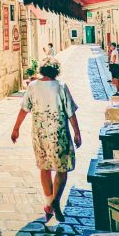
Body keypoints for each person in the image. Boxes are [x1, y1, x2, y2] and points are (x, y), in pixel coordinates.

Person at [11, 60, 82, 223]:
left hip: (40, 134)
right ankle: (56, 200)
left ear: (42, 70)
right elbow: (70, 112)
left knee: (45, 168)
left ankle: (49, 203)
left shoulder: (32, 86)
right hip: (59, 134)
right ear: (56, 71)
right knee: (62, 169)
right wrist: (77, 133)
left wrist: (16, 129)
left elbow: (24, 109)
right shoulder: (61, 86)